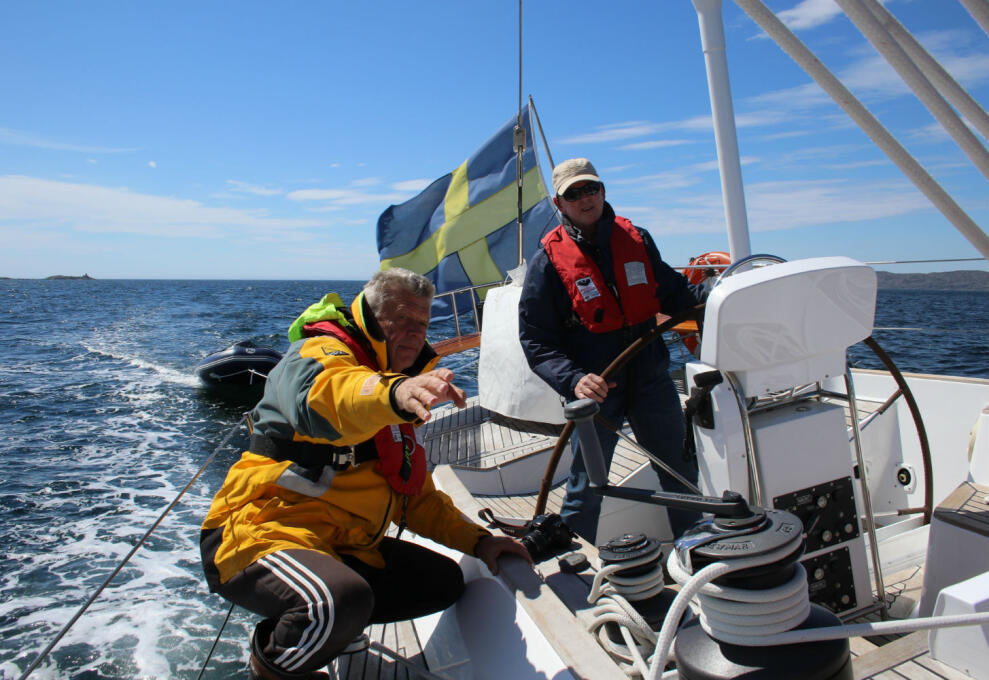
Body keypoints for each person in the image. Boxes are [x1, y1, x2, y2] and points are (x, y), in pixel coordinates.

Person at [201, 268, 530, 680]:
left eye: (423, 322)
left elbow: (416, 497)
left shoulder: (396, 395)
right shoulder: (319, 354)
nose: (416, 332)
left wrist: (480, 541)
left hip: (342, 543)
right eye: (402, 319)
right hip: (258, 533)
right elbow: (330, 396)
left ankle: (329, 629)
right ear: (371, 320)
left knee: (443, 582)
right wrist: (394, 393)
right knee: (335, 604)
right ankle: (270, 667)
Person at [518, 158, 702, 544]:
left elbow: (677, 294)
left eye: (591, 188)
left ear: (602, 191)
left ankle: (696, 551)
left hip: (651, 381)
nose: (585, 198)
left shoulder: (637, 240)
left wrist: (718, 295)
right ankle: (574, 563)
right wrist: (573, 380)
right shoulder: (548, 262)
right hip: (596, 392)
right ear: (559, 203)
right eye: (574, 193)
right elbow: (536, 340)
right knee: (587, 488)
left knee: (681, 473)